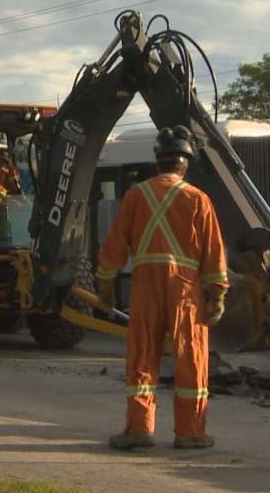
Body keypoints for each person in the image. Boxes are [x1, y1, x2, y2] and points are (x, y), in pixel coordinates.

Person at [95, 125, 228, 450]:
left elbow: (114, 245)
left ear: (158, 161)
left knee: (142, 353)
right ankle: (190, 433)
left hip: (145, 286)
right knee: (191, 357)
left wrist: (106, 285)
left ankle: (139, 430)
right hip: (185, 288)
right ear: (186, 162)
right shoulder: (198, 199)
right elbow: (213, 252)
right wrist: (218, 294)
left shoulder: (136, 195)